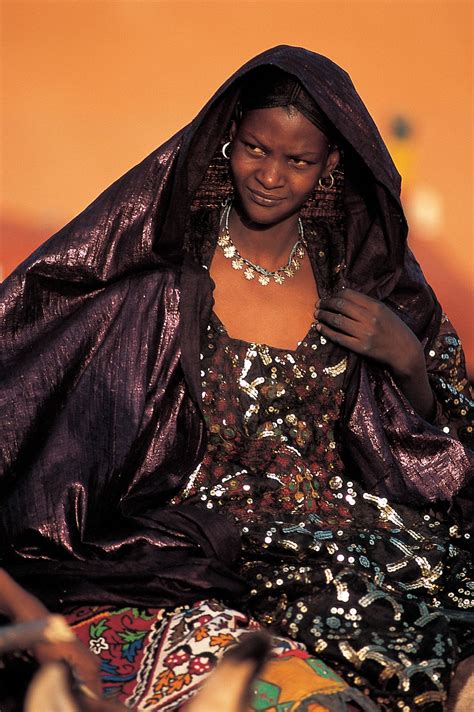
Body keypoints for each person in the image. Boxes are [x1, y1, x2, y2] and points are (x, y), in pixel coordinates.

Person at [1, 45, 473, 711]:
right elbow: (46, 362)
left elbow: (438, 442)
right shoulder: (165, 281)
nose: (272, 176)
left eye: (298, 160)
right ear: (228, 139)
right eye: (257, 149)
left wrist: (410, 362)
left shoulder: (361, 271)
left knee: (450, 586)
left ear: (330, 164)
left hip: (357, 527)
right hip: (221, 539)